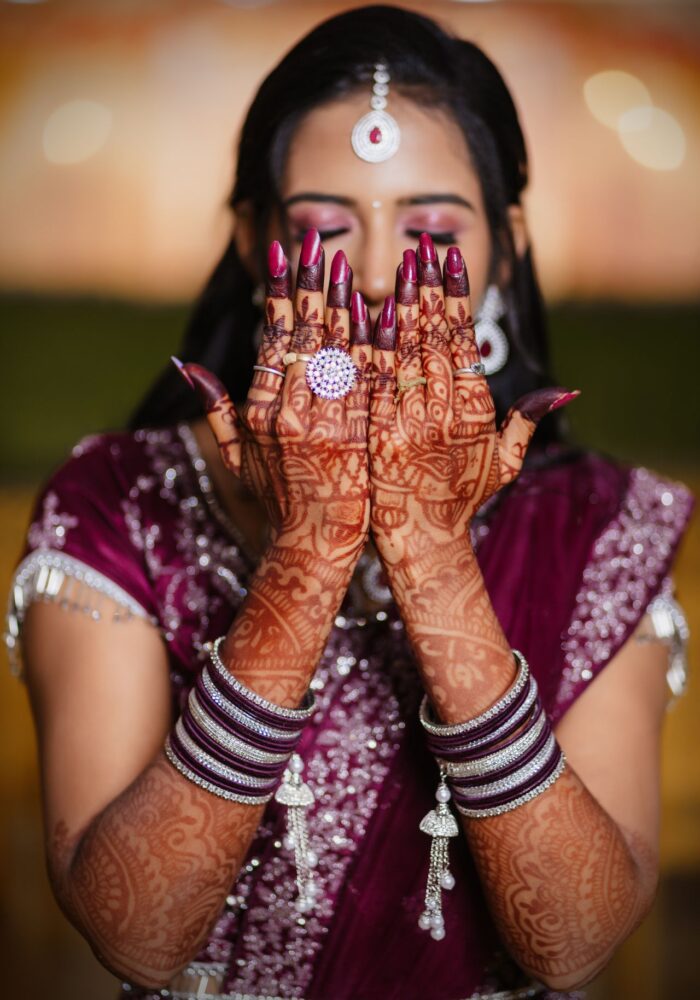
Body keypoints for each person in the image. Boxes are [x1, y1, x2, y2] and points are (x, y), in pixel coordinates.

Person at [4, 6, 693, 1000]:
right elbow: (139, 936)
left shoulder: (599, 523)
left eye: (430, 232)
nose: (373, 278)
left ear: (506, 245)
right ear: (252, 243)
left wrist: (428, 549)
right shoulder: (122, 499)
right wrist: (311, 549)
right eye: (325, 228)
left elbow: (575, 944)